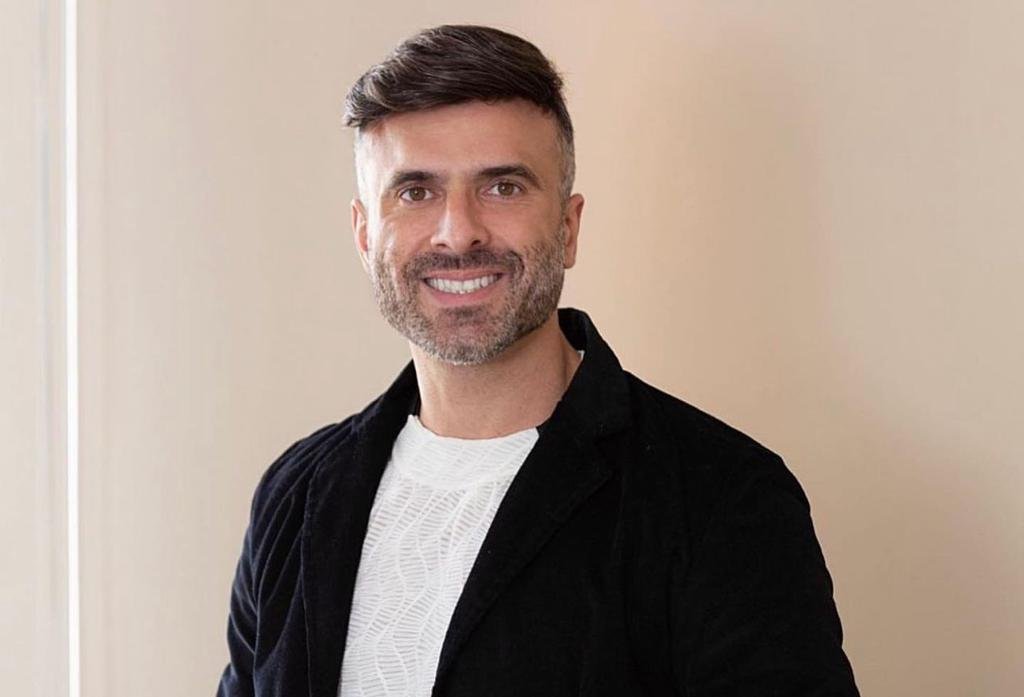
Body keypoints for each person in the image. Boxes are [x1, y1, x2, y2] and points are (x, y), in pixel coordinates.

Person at [217, 24, 859, 697]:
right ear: (364, 234)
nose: (458, 232)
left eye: (503, 187)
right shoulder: (294, 494)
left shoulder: (723, 498)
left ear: (568, 227)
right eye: (415, 192)